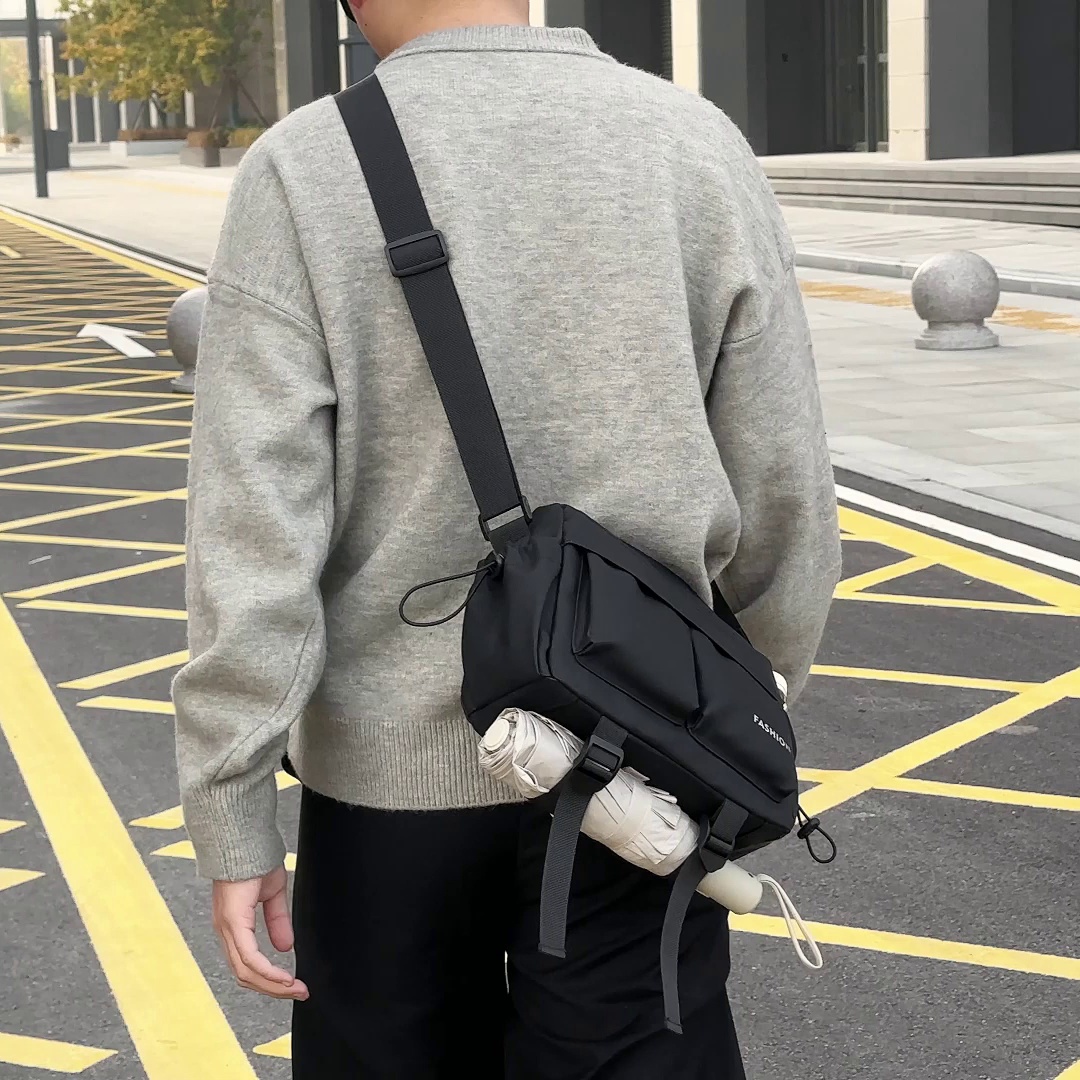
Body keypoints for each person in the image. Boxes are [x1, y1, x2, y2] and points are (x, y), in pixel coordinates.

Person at [172, 0, 842, 1076]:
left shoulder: (305, 168)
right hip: (643, 758)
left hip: (388, 787)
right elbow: (785, 494)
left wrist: (231, 806)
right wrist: (733, 716)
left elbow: (254, 529)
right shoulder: (694, 142)